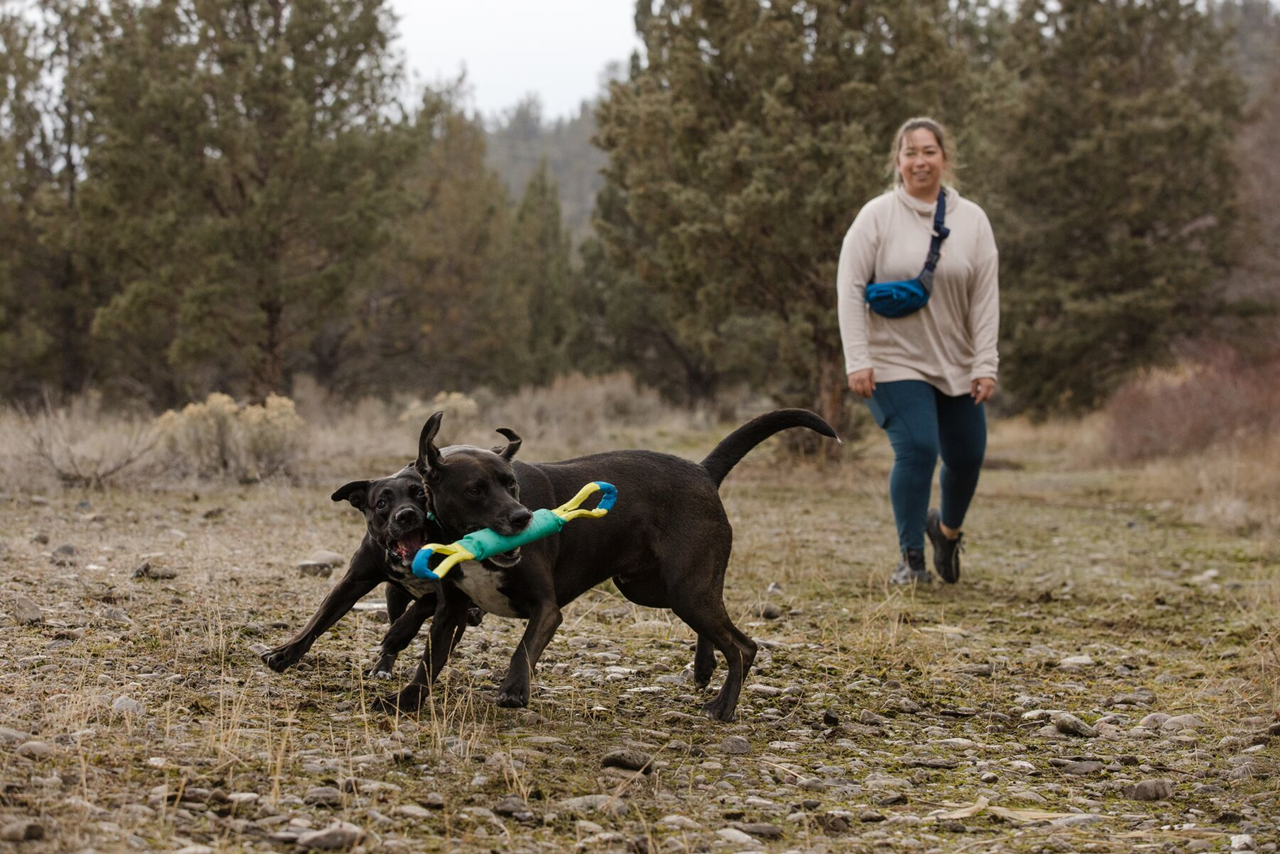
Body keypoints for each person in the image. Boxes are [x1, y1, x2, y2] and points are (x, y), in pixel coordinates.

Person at [836, 117, 999, 585]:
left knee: (967, 456)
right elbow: (849, 287)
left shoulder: (972, 220)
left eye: (929, 151)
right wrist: (858, 358)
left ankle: (945, 532)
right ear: (898, 161)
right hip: (892, 360)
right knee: (919, 448)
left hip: (957, 360)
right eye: (910, 152)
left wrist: (985, 363)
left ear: (945, 158)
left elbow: (985, 298)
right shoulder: (876, 216)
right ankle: (911, 561)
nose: (920, 161)